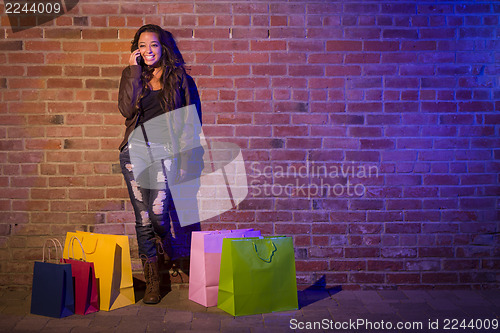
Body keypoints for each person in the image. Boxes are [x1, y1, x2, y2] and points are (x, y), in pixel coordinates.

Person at [118, 24, 202, 304]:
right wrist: (132, 72)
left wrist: (184, 160)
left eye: (153, 45)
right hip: (135, 153)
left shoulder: (180, 79)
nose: (148, 50)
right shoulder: (132, 76)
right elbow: (126, 110)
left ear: (162, 47)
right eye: (142, 46)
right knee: (142, 220)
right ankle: (154, 282)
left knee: (157, 214)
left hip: (166, 152)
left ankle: (165, 250)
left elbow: (191, 122)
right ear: (136, 50)